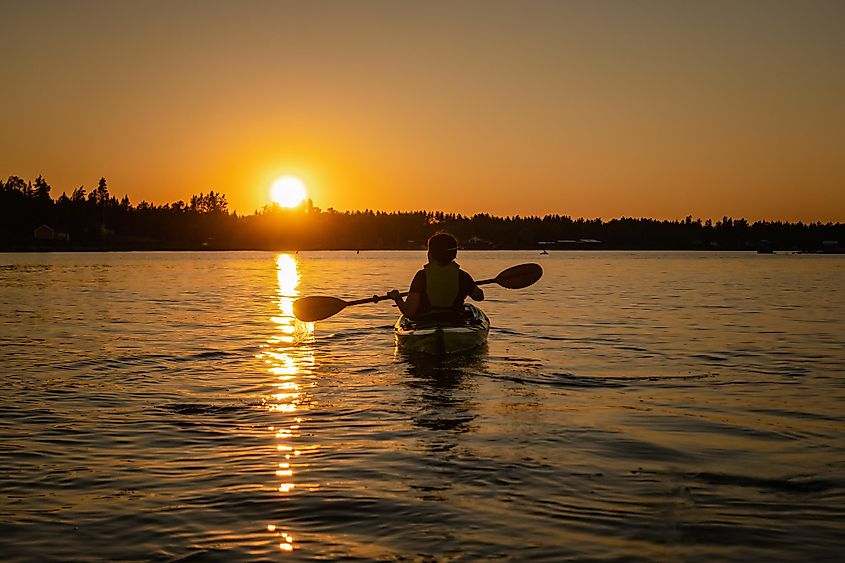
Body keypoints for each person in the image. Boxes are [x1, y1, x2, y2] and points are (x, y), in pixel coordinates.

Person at [388, 232, 484, 320]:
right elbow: (479, 296)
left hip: (426, 321)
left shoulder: (422, 276)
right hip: (455, 320)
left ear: (430, 254)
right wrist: (468, 285)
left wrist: (397, 298)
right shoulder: (462, 276)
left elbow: (409, 312)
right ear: (454, 254)